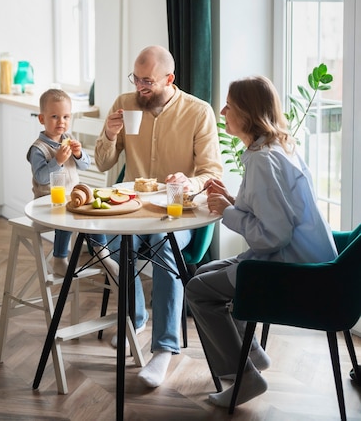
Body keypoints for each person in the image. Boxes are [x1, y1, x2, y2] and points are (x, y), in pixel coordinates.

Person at [185, 75, 338, 408]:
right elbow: (270, 211)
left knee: (197, 291)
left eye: (230, 105)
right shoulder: (272, 148)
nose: (222, 110)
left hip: (293, 270)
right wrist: (232, 200)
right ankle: (250, 357)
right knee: (202, 276)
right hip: (305, 260)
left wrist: (228, 212)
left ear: (246, 112)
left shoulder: (263, 161)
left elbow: (274, 235)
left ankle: (245, 377)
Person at [95, 45, 223, 388]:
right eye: (135, 79)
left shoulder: (198, 112)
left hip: (176, 210)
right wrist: (109, 134)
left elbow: (211, 172)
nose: (140, 87)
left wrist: (187, 181)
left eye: (147, 80)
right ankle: (135, 317)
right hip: (131, 207)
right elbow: (104, 164)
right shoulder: (125, 103)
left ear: (170, 78)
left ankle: (164, 349)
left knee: (163, 247)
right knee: (103, 242)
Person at [27, 89, 92, 277]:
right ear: (42, 119)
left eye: (65, 117)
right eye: (54, 117)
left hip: (73, 197)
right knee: (65, 212)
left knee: (93, 209)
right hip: (46, 201)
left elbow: (85, 165)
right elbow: (41, 177)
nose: (61, 122)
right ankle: (60, 259)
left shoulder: (69, 140)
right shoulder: (38, 149)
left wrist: (79, 154)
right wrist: (58, 161)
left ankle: (101, 251)